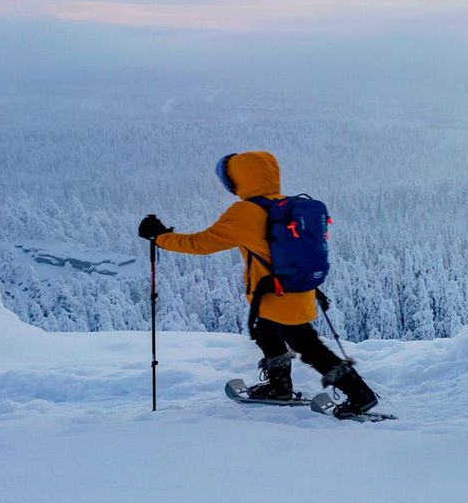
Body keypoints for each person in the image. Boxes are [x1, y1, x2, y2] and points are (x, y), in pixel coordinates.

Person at [137, 150, 379, 418]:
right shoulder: (286, 204)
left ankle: (360, 396)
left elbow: (200, 244)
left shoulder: (245, 212)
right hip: (292, 292)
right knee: (265, 331)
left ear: (239, 180)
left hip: (277, 297)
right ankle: (279, 386)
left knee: (310, 349)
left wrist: (160, 237)